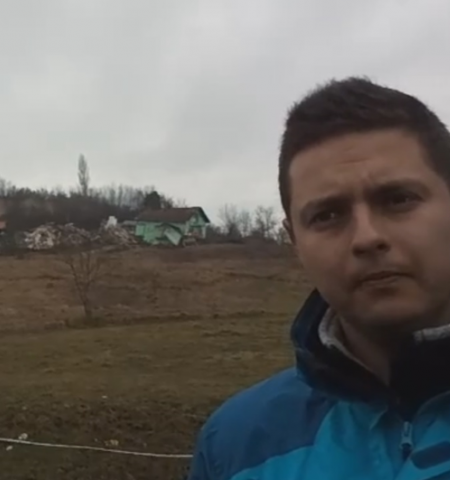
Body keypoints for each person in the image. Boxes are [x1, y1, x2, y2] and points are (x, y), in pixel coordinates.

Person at [187, 77, 450, 480]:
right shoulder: (236, 446)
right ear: (294, 240)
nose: (367, 237)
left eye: (398, 199)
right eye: (327, 215)